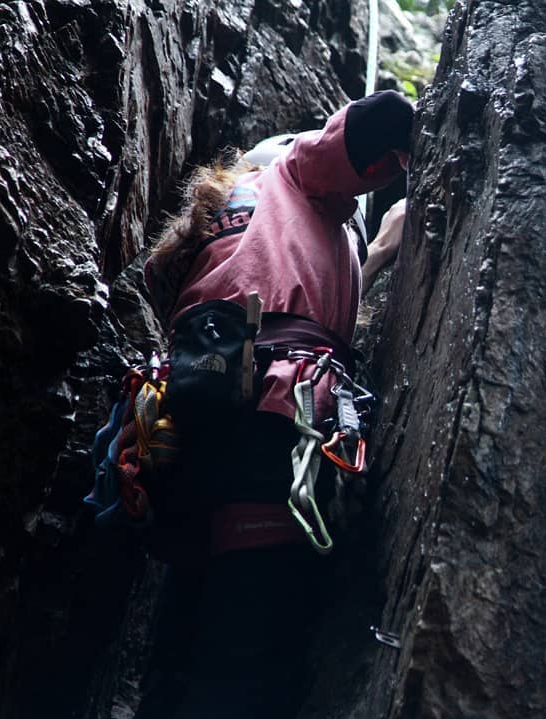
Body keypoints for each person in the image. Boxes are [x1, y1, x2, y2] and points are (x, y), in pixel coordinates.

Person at [132, 90, 413, 719]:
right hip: (273, 419)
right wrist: (407, 141)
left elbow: (290, 292)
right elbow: (356, 137)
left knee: (185, 627)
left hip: (199, 420)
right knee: (245, 643)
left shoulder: (238, 232)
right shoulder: (288, 172)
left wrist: (382, 250)